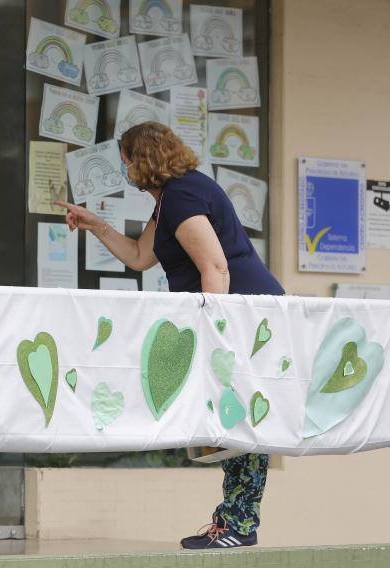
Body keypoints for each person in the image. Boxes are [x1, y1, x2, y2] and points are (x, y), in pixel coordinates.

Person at [56, 121, 284, 549]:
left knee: (242, 419)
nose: (124, 170)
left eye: (125, 162)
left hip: (245, 318)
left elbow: (215, 268)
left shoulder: (181, 197)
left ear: (141, 162)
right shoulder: (172, 199)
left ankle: (238, 524)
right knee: (231, 417)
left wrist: (214, 333)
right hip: (240, 314)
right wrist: (95, 225)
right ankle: (234, 521)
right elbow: (142, 256)